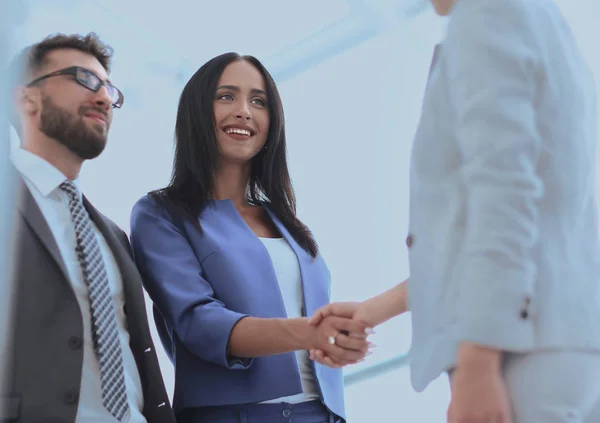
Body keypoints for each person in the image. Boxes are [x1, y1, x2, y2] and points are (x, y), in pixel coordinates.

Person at [310, 0, 600, 422]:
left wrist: (478, 359)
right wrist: (376, 310)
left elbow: (503, 199)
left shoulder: (486, 13)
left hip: (519, 356)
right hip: (567, 346)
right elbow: (519, 224)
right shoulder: (543, 21)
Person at [129, 52, 373, 423]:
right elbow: (198, 322)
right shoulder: (160, 213)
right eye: (226, 96)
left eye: (258, 101)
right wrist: (311, 333)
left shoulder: (287, 223)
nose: (244, 111)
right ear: (196, 111)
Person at [3, 33, 176, 423]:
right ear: (25, 99)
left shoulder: (113, 235)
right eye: (82, 79)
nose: (103, 98)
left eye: (108, 89)